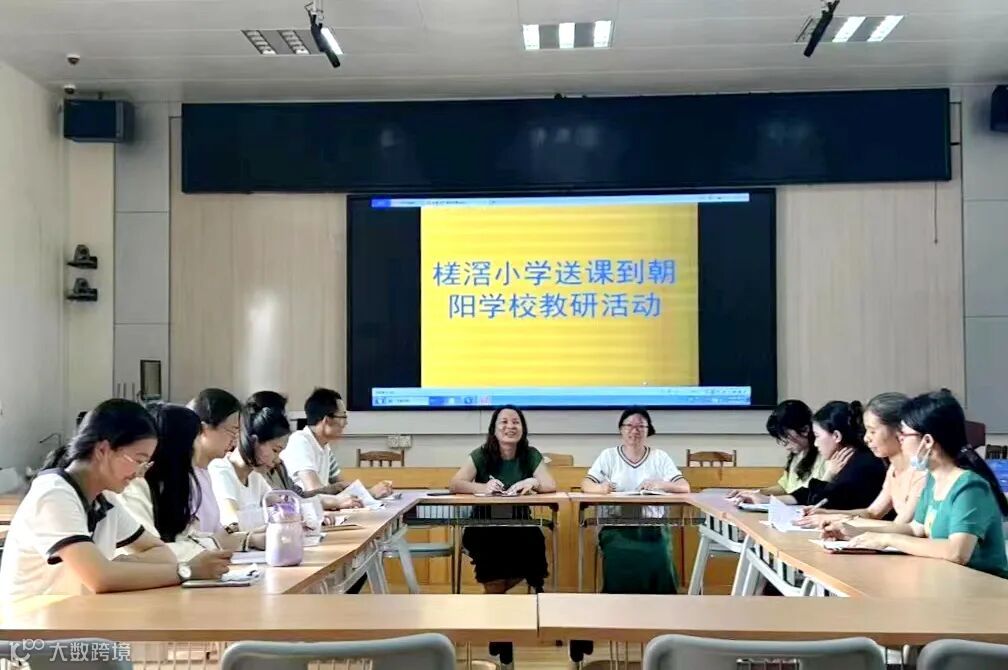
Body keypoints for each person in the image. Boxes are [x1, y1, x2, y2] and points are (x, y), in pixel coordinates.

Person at [0, 399, 230, 600]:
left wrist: (116, 568)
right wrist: (186, 571)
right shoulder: (54, 495)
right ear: (103, 450)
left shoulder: (104, 499)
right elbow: (100, 579)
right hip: (31, 628)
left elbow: (162, 553)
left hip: (77, 619)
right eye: (138, 460)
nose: (140, 472)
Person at [827, 390, 1008, 577]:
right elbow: (916, 528)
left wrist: (889, 539)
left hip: (982, 589)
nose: (900, 441)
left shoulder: (969, 487)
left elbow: (957, 552)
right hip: (947, 582)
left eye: (904, 435)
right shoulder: (933, 480)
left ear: (927, 441)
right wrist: (857, 532)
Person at [449, 405, 557, 668]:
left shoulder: (530, 454)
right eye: (504, 422)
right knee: (493, 555)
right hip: (484, 525)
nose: (510, 426)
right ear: (494, 429)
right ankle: (501, 629)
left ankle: (497, 619)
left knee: (532, 546)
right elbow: (455, 483)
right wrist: (483, 487)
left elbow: (550, 484)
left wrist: (532, 482)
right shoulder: (481, 454)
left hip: (521, 525)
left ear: (523, 428)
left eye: (516, 422)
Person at [580, 407, 690, 594]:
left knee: (660, 555)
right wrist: (600, 488)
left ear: (648, 430)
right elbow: (586, 483)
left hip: (653, 528)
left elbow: (684, 486)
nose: (634, 431)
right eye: (629, 426)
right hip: (616, 527)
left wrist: (661, 484)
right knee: (617, 557)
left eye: (640, 426)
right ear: (621, 429)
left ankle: (661, 606)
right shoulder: (609, 455)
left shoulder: (659, 457)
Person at [797, 392, 926, 529]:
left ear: (900, 430)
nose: (866, 438)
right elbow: (872, 512)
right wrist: (826, 513)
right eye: (866, 431)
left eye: (872, 431)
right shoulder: (893, 469)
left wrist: (838, 520)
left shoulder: (921, 472)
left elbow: (900, 527)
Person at [740, 401, 885, 510]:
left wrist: (828, 475)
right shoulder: (847, 460)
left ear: (836, 436)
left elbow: (820, 503)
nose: (815, 443)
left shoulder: (860, 466)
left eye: (817, 436)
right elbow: (808, 495)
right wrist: (766, 499)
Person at [280, 387, 391, 503]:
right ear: (327, 420)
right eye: (343, 417)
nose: (346, 423)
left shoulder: (324, 445)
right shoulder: (300, 441)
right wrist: (370, 493)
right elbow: (313, 489)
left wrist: (368, 493)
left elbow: (341, 485)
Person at [187, 388, 266, 550]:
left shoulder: (206, 473)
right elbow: (192, 540)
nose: (236, 440)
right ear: (203, 429)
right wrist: (250, 539)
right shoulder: (185, 476)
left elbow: (218, 535)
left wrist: (252, 538)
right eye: (232, 430)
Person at [209, 398, 290, 529]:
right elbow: (232, 522)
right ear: (254, 442)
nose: (277, 460)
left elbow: (282, 507)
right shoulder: (221, 470)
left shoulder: (254, 476)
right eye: (275, 450)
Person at [727, 400, 826, 502]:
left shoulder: (824, 455)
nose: (785, 446)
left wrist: (767, 500)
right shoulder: (797, 454)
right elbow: (784, 487)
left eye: (786, 437)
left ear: (805, 429)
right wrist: (755, 493)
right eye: (781, 439)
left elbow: (813, 494)